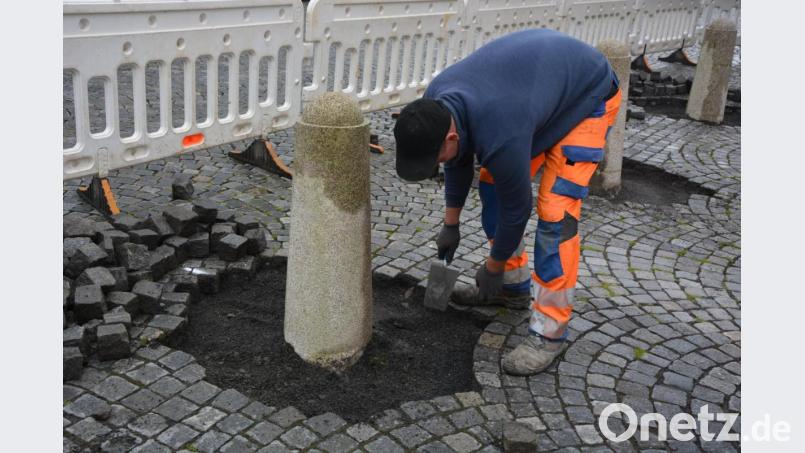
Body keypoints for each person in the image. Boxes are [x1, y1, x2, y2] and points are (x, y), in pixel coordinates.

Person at [393, 29, 621, 376]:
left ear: (449, 136)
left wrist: (493, 264)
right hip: (537, 98)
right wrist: (449, 224)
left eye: (433, 160)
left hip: (586, 96)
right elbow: (456, 160)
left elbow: (518, 208)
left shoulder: (500, 129)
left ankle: (549, 333)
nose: (435, 166)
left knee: (556, 214)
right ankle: (512, 289)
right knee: (492, 184)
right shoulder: (436, 103)